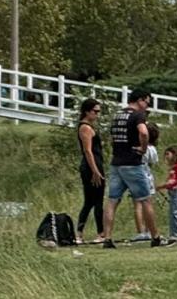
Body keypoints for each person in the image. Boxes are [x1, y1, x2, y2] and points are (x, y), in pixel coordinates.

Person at [102, 91, 168, 248]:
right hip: (132, 163)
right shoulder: (137, 115)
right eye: (147, 102)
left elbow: (112, 137)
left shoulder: (118, 115)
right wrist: (143, 148)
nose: (147, 106)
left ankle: (107, 238)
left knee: (112, 201)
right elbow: (144, 132)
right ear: (140, 100)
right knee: (145, 200)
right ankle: (155, 237)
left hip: (116, 162)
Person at [75, 98, 106, 245]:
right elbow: (88, 151)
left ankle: (84, 233)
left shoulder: (89, 127)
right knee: (94, 201)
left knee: (94, 201)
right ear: (87, 111)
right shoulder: (85, 127)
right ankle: (98, 232)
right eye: (95, 111)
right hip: (91, 166)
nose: (97, 114)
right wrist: (94, 170)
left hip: (96, 164)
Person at [131, 122, 161, 241]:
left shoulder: (138, 147)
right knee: (148, 203)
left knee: (137, 204)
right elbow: (153, 163)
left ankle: (140, 230)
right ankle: (150, 230)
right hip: (147, 175)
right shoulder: (152, 149)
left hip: (136, 174)